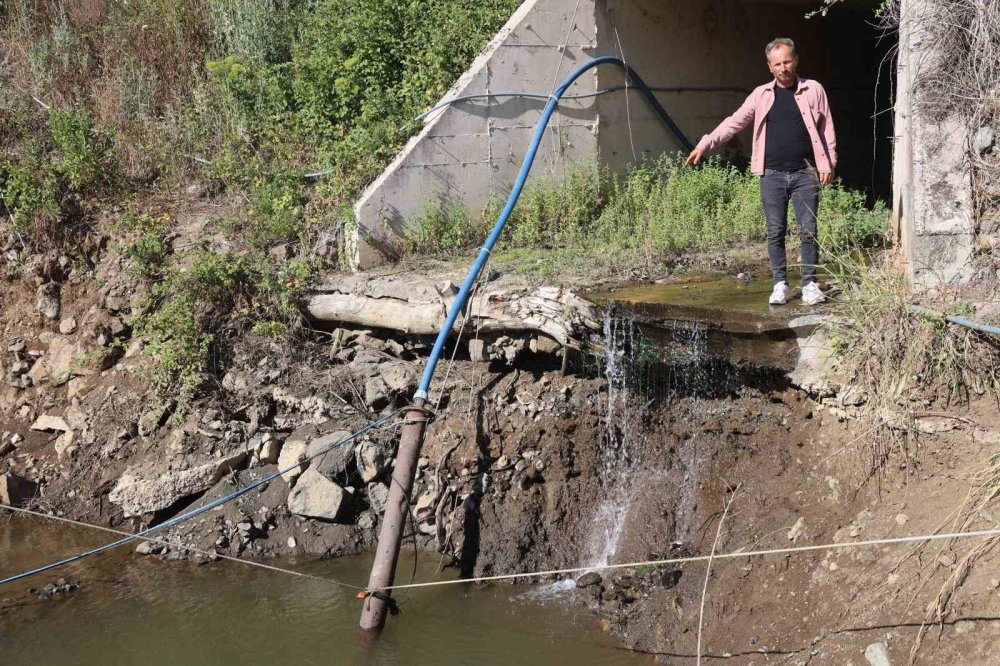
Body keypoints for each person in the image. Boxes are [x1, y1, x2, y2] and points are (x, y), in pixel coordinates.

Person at [686, 37, 836, 306]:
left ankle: (809, 285)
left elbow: (827, 129)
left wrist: (828, 163)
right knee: (775, 231)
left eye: (787, 61)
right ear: (770, 67)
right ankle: (779, 284)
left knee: (808, 230)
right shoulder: (761, 95)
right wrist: (706, 143)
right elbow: (735, 122)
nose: (783, 68)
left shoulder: (813, 90)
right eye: (777, 64)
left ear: (796, 60)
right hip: (771, 175)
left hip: (806, 173)